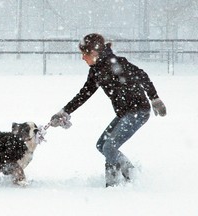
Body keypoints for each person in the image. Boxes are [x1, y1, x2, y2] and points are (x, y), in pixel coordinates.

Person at [49, 33, 166, 187]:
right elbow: (84, 94)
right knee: (102, 144)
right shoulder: (96, 70)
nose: (83, 58)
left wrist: (154, 98)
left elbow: (142, 75)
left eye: (84, 54)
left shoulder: (116, 63)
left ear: (94, 52)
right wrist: (64, 112)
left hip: (138, 111)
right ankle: (131, 172)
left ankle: (113, 185)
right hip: (125, 113)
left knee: (109, 147)